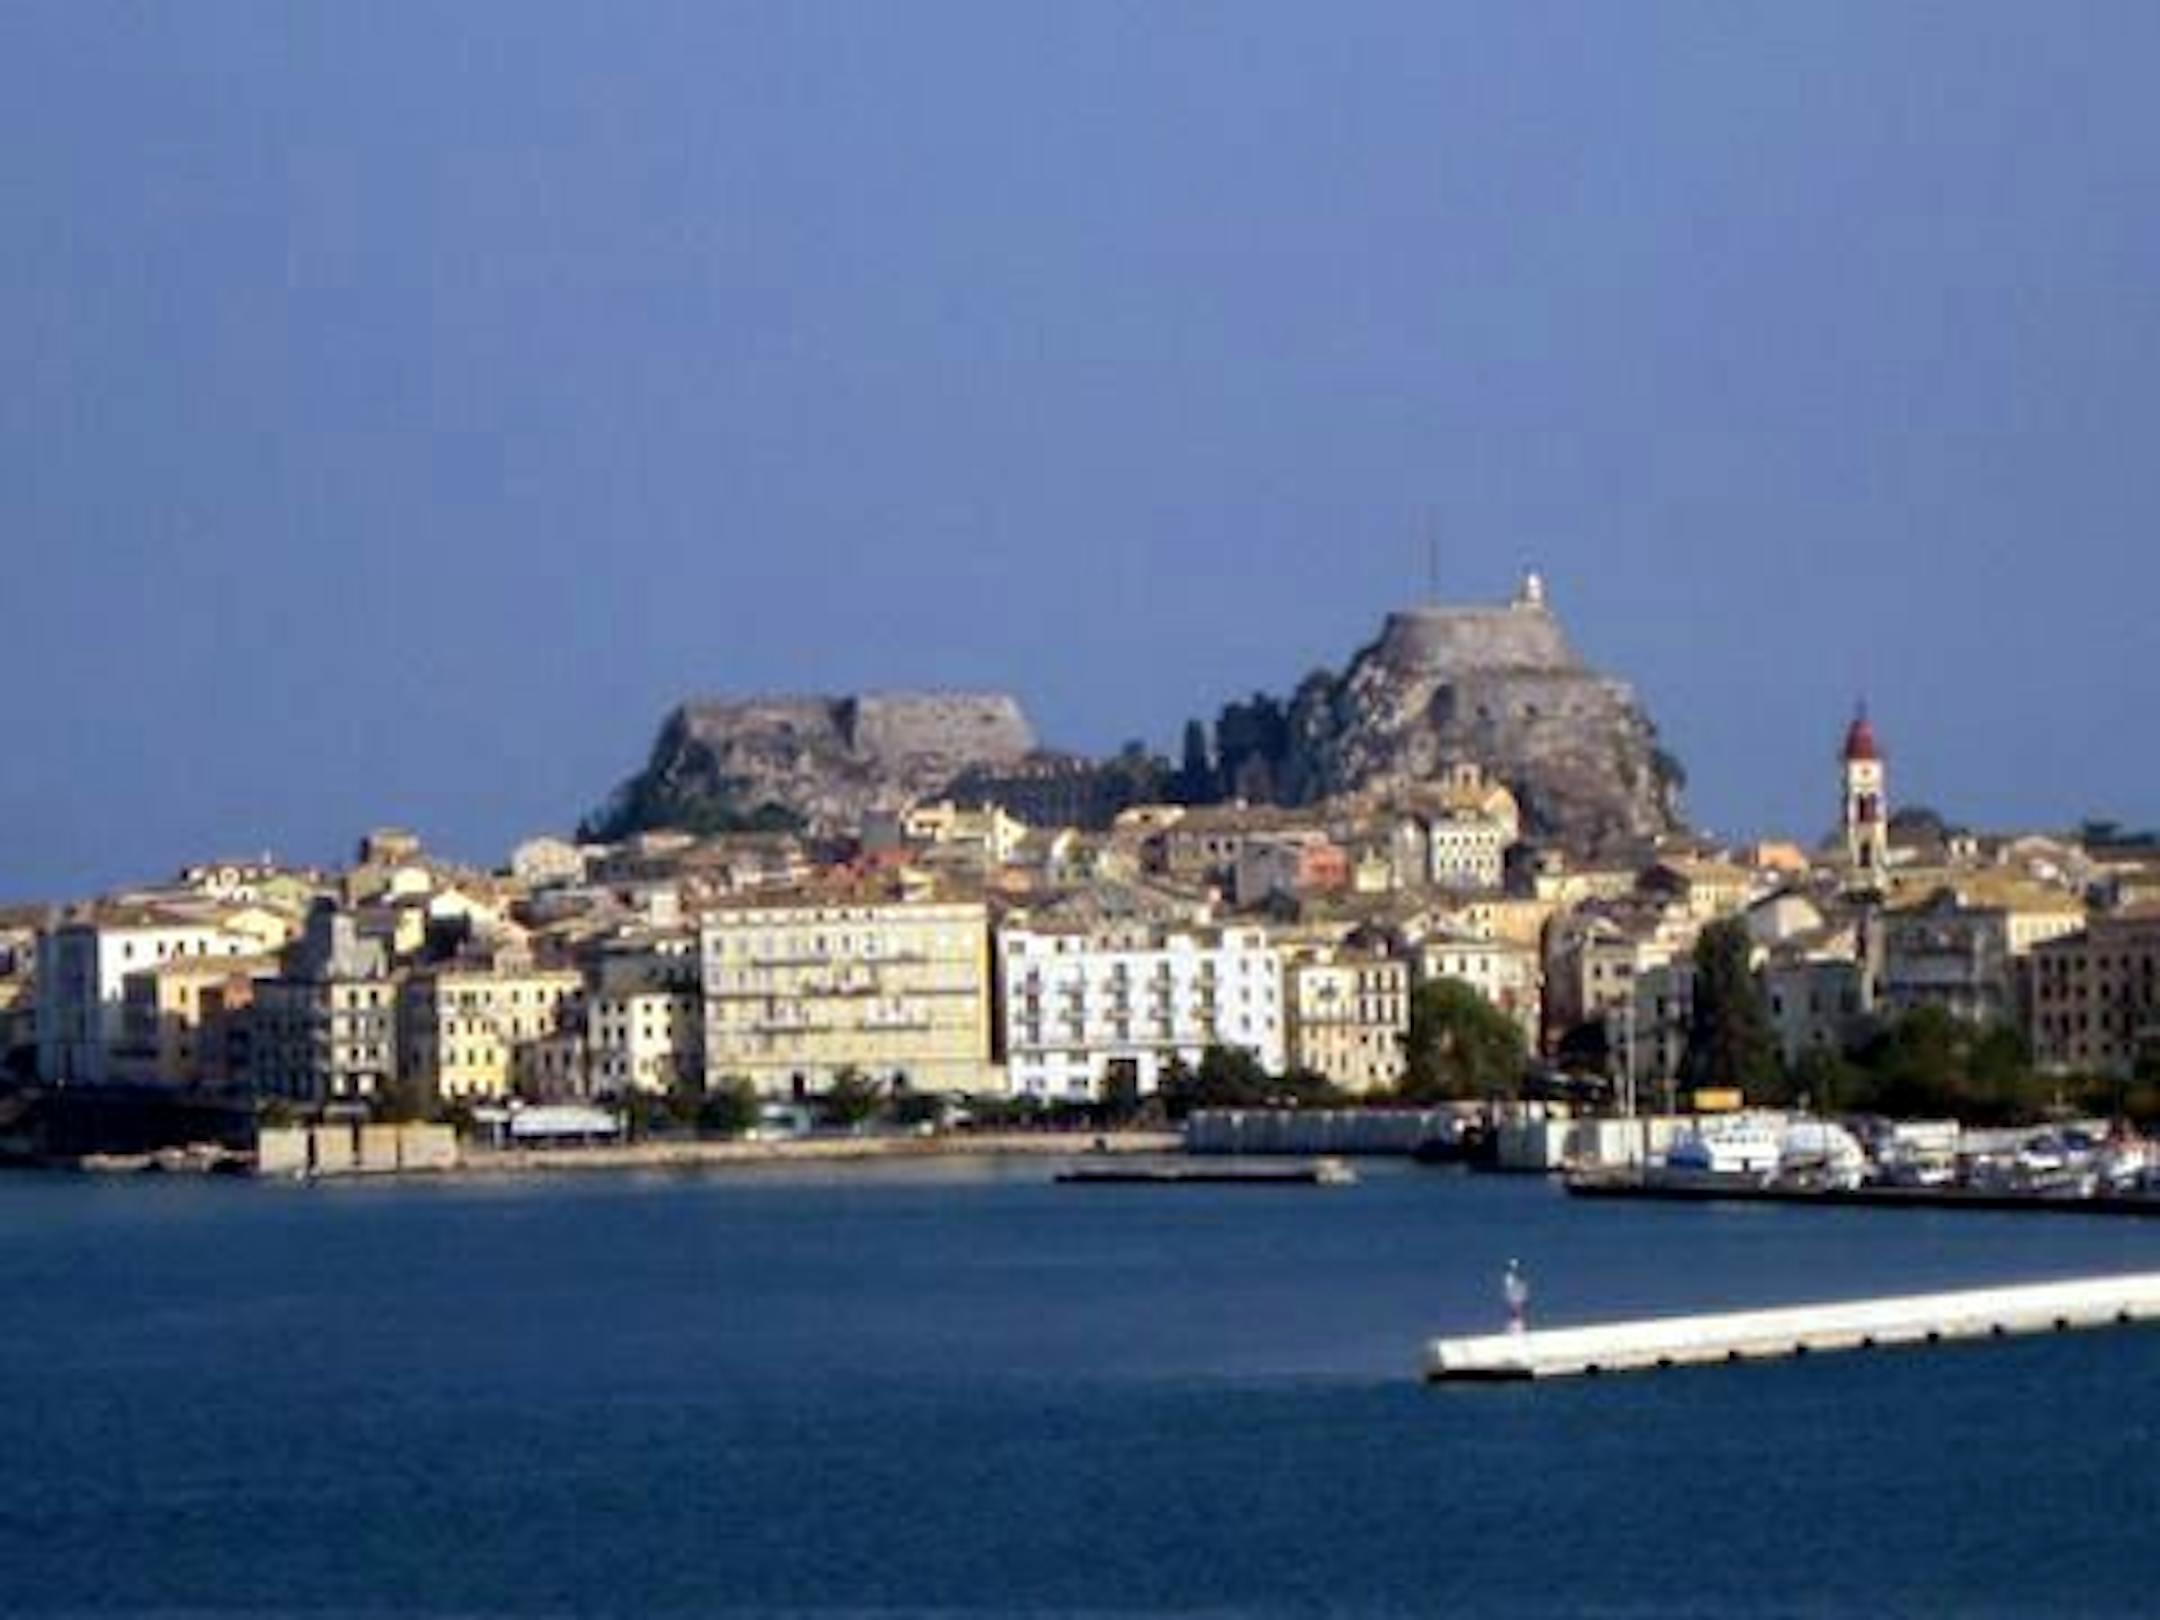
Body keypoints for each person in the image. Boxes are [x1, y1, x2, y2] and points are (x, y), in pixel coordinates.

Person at [1503, 1258, 1530, 1335]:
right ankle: (1515, 1327)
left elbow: (1523, 1285)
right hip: (1515, 1296)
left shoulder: (1520, 1276)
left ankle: (1518, 1327)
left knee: (1518, 1312)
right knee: (1515, 1312)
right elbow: (1509, 1285)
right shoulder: (1509, 1276)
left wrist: (1523, 1294)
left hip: (1517, 1296)